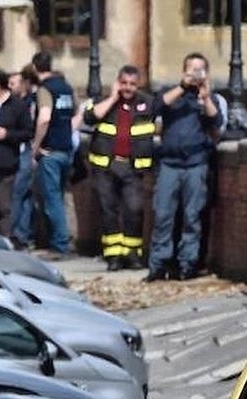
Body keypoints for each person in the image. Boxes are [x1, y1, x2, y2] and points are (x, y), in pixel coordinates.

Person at [146, 53, 223, 282]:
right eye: (192, 69)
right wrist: (183, 86)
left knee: (192, 216)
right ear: (184, 71)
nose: (196, 74)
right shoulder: (172, 93)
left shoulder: (208, 98)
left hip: (196, 163)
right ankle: (158, 265)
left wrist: (205, 98)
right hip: (170, 163)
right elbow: (155, 107)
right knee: (162, 215)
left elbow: (216, 123)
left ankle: (187, 264)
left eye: (200, 70)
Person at [84, 65, 156, 272]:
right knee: (109, 211)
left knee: (134, 210)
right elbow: (90, 117)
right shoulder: (105, 101)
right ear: (118, 82)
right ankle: (113, 256)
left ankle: (132, 254)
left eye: (132, 84)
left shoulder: (147, 103)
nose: (128, 88)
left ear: (138, 84)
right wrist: (113, 97)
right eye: (124, 83)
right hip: (105, 166)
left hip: (132, 168)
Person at [29, 51, 76, 257]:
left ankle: (59, 245)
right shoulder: (66, 88)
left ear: (35, 68)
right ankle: (64, 240)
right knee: (61, 198)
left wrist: (35, 147)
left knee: (52, 201)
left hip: (50, 152)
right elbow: (75, 115)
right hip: (66, 149)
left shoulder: (44, 89)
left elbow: (44, 118)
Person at [0, 68, 34, 238]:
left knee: (4, 205)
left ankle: (5, 239)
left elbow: (28, 132)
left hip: (6, 163)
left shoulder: (17, 106)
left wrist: (8, 134)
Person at [9, 66, 39, 248]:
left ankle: (17, 233)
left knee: (18, 193)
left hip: (27, 151)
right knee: (26, 196)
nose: (11, 87)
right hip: (25, 152)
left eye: (13, 83)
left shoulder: (27, 103)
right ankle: (23, 233)